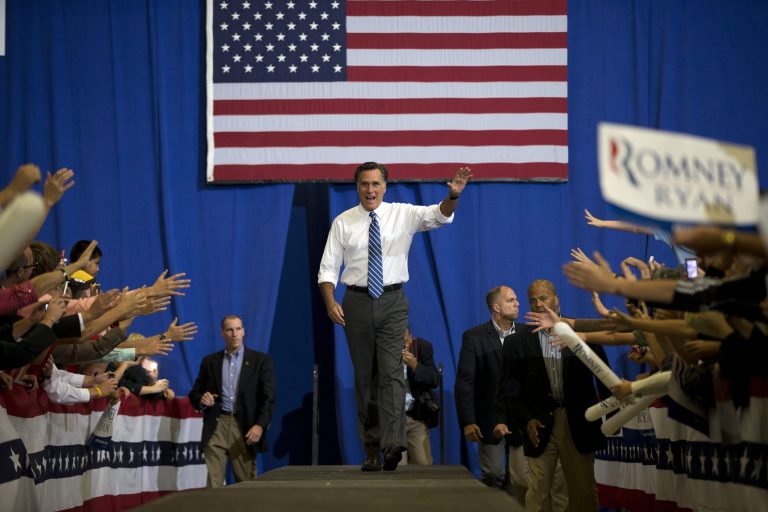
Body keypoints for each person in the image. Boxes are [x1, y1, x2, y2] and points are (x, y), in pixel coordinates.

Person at [318, 161, 471, 471]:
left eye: (376, 184)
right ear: (357, 187)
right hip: (356, 303)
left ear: (385, 187)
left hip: (392, 300)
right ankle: (372, 449)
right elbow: (328, 268)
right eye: (364, 184)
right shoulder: (343, 222)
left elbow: (438, 215)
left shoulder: (403, 213)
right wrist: (330, 300)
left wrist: (453, 196)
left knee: (390, 372)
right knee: (366, 379)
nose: (370, 189)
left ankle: (393, 444)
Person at [494, 279, 609, 511]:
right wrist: (526, 420)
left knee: (583, 493)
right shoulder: (517, 342)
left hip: (578, 421)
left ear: (556, 300)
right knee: (536, 494)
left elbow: (603, 375)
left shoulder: (582, 333)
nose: (538, 304)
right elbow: (510, 388)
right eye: (532, 300)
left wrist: (613, 414)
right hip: (540, 424)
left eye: (543, 298)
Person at [189, 315, 276, 487]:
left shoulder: (260, 361)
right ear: (222, 333)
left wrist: (260, 425)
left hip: (244, 427)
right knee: (214, 485)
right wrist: (202, 399)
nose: (234, 333)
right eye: (229, 329)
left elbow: (269, 398)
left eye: (237, 329)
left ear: (243, 331)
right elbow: (195, 393)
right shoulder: (210, 362)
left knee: (246, 485)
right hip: (217, 423)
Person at [402, 326, 440, 465]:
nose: (403, 346)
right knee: (396, 471)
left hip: (415, 417)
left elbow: (434, 379)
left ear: (410, 336)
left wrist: (415, 365)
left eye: (405, 341)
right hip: (393, 420)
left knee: (423, 465)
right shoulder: (384, 350)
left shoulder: (422, 347)